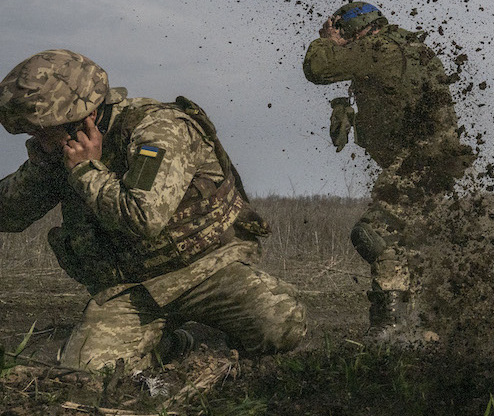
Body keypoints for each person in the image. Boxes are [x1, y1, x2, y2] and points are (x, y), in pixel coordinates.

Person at [0, 50, 306, 371]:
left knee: (282, 324)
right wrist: (48, 168)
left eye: (42, 131)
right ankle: (174, 343)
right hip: (135, 291)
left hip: (207, 270)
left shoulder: (158, 130)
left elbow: (144, 217)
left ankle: (209, 337)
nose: (38, 141)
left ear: (82, 118)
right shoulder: (63, 150)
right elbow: (10, 212)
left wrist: (86, 171)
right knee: (86, 369)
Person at [303, 1, 475, 337]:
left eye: (343, 31)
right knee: (403, 245)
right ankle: (418, 330)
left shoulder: (378, 46)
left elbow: (318, 68)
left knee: (375, 234)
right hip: (433, 163)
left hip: (422, 163)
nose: (344, 40)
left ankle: (394, 327)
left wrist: (326, 40)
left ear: (355, 28)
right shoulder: (407, 47)